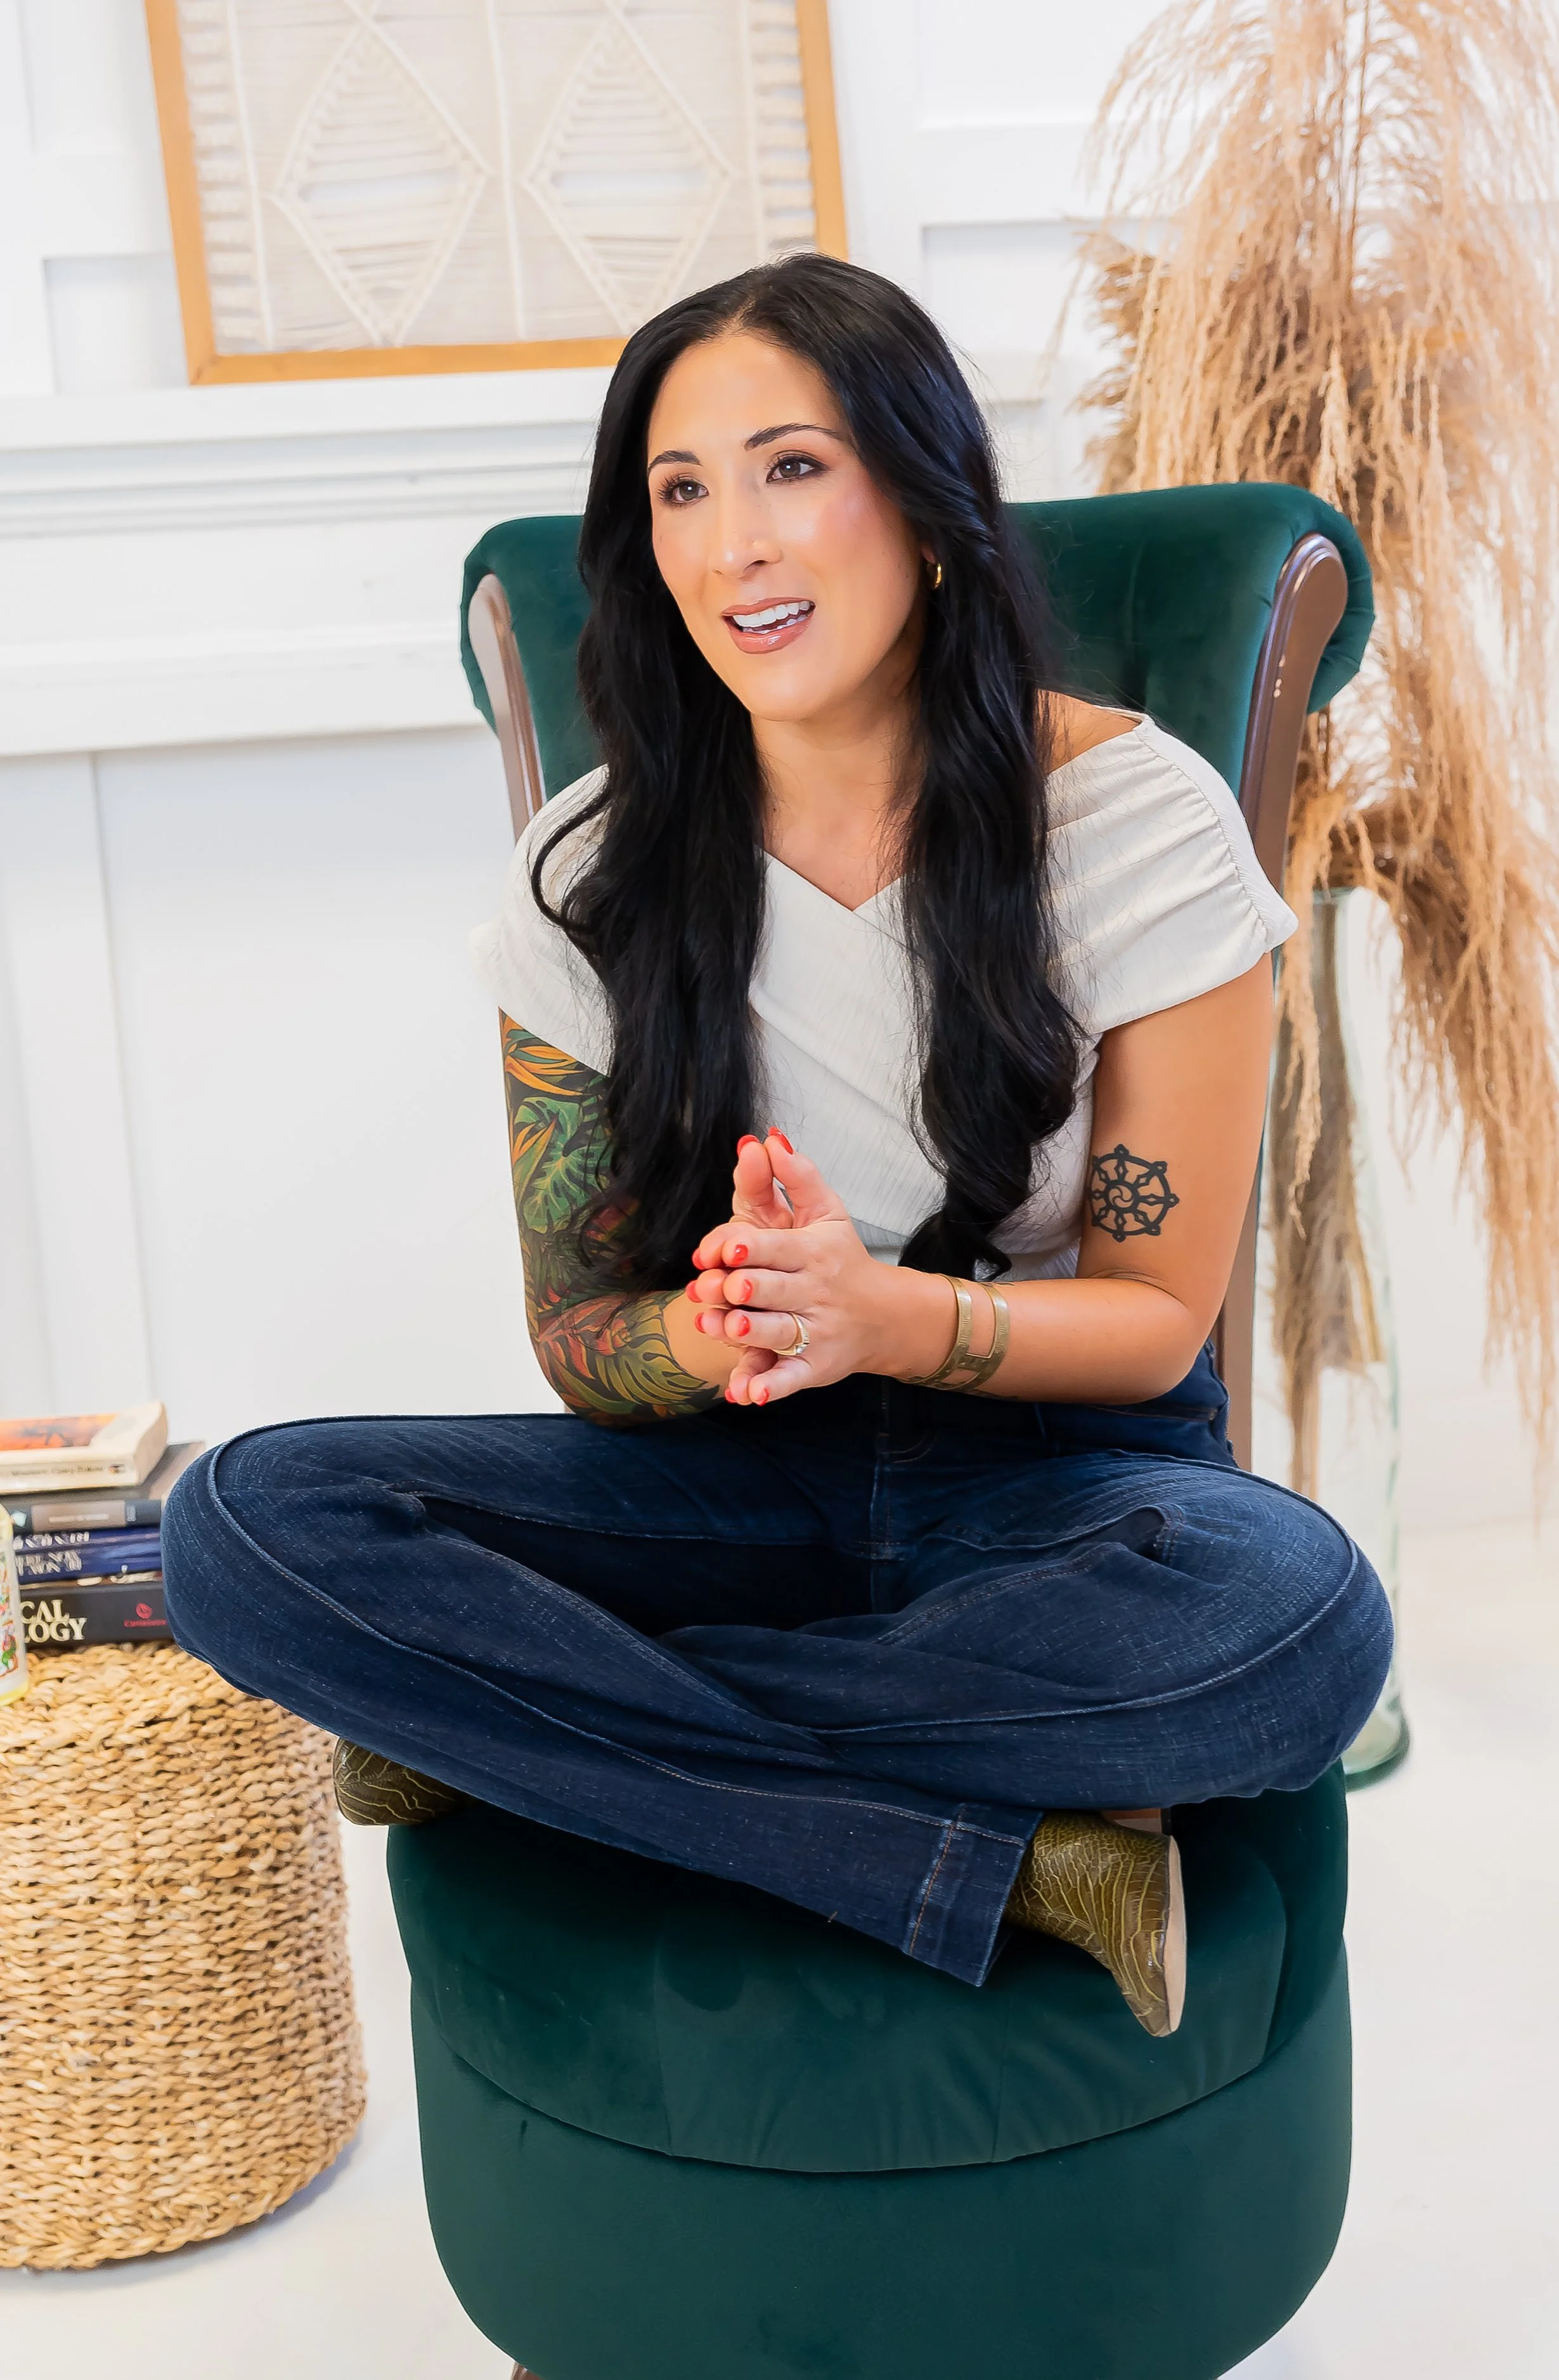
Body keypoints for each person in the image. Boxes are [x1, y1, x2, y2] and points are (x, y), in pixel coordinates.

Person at [164, 254, 1391, 2039]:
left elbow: (1150, 1318)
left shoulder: (1135, 822)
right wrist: (720, 1329)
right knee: (242, 1525)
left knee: (1296, 1626)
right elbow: (584, 1343)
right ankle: (992, 1854)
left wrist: (883, 1317)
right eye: (680, 489)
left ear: (930, 500)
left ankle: (539, 1734)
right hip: (732, 1477)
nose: (734, 541)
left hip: (1061, 1476)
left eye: (791, 467)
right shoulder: (584, 873)